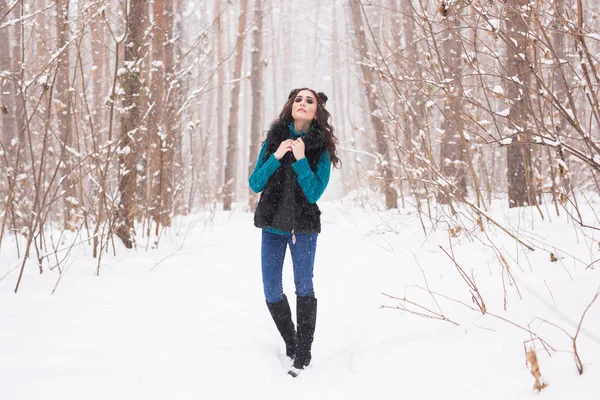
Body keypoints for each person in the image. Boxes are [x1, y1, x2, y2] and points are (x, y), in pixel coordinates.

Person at [249, 88, 340, 376]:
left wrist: (301, 159)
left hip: (304, 228)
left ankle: (303, 352)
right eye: (298, 99)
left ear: (317, 111)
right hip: (272, 227)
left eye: (309, 101)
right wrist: (276, 156)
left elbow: (313, 193)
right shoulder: (274, 140)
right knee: (271, 289)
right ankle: (291, 340)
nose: (302, 103)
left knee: (304, 287)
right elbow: (254, 183)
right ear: (291, 106)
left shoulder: (320, 147)